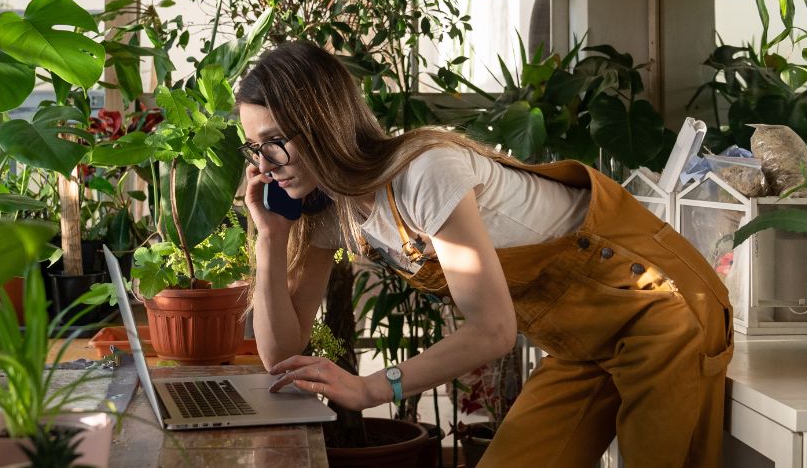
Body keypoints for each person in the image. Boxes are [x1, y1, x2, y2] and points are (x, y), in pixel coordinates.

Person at [237, 41, 733, 467]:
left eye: (274, 142)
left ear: (323, 124)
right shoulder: (327, 210)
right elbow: (282, 356)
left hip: (663, 309)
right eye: (253, 148)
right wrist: (271, 237)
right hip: (581, 343)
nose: (264, 165)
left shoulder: (423, 172)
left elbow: (493, 331)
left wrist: (369, 389)